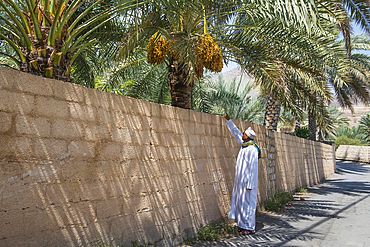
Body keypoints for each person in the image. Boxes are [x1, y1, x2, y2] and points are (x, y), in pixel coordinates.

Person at [224, 111, 261, 235]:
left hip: (248, 184)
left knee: (248, 204)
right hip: (241, 181)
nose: (242, 135)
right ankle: (242, 225)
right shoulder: (245, 145)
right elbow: (236, 133)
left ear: (248, 136)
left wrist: (250, 184)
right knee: (241, 203)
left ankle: (250, 227)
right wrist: (229, 121)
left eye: (244, 134)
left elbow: (253, 168)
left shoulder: (253, 149)